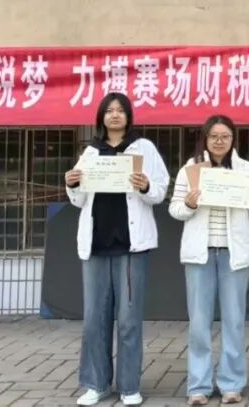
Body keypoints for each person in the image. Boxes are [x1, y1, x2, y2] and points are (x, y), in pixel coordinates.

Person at [64, 92, 170, 407]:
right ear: (101, 117)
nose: (114, 115)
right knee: (94, 319)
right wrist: (72, 184)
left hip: (130, 247)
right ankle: (95, 384)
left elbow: (160, 190)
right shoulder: (90, 152)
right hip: (96, 245)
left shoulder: (143, 148)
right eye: (109, 111)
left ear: (128, 116)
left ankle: (129, 386)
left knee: (128, 320)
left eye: (120, 110)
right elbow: (79, 200)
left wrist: (145, 186)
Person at [169, 115, 249, 405]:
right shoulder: (191, 169)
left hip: (233, 253)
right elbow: (175, 209)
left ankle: (231, 384)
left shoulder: (246, 169)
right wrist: (189, 204)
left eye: (225, 136)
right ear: (205, 138)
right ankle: (198, 386)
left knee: (234, 321)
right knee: (199, 323)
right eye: (214, 136)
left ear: (233, 139)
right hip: (200, 253)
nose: (219, 141)